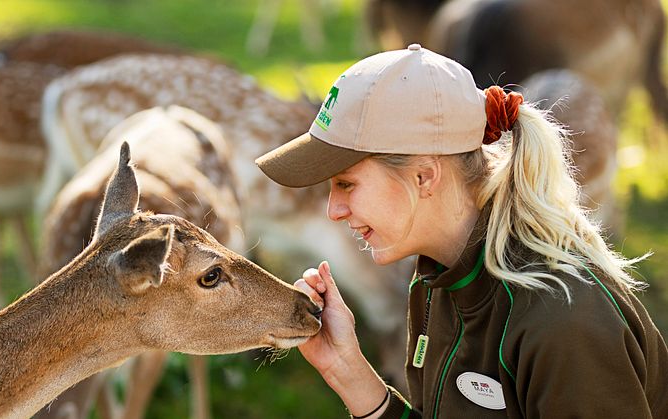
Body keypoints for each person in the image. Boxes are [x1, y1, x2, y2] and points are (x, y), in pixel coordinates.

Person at [255, 44, 668, 418]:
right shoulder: (436, 279)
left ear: (424, 177)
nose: (334, 210)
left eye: (346, 183)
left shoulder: (564, 324)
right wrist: (347, 372)